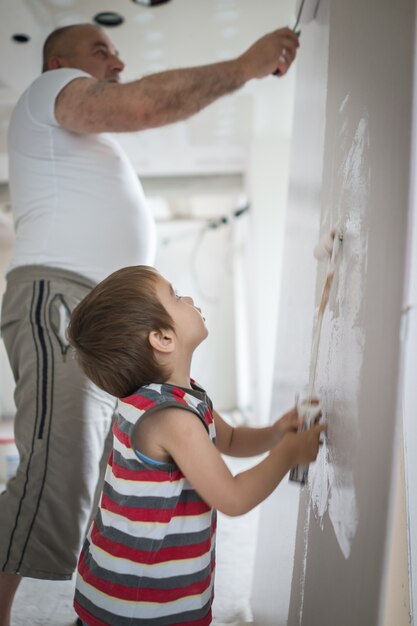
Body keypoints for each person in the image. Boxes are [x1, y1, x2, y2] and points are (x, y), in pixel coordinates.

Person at [0, 21, 300, 626]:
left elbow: (230, 439)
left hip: (86, 305)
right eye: (101, 48)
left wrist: (274, 433)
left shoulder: (177, 403)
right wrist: (244, 65)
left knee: (83, 476)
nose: (118, 57)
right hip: (60, 297)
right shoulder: (51, 89)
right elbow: (139, 104)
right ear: (60, 60)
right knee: (54, 476)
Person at [67, 265, 326, 626]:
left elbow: (230, 439)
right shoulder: (172, 420)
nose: (187, 298)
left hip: (126, 580)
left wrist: (276, 433)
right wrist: (288, 455)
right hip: (139, 601)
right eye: (174, 296)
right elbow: (232, 498)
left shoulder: (180, 395)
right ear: (162, 339)